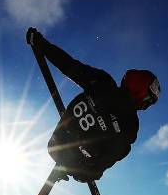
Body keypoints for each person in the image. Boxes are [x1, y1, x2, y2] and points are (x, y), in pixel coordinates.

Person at [26, 27, 160, 182]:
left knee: (119, 145)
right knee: (122, 147)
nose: (146, 106)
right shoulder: (130, 124)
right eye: (148, 100)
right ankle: (80, 167)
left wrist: (41, 44)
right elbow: (111, 156)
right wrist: (92, 172)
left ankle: (79, 164)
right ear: (140, 91)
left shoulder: (103, 81)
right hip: (78, 164)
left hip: (56, 143)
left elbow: (69, 66)